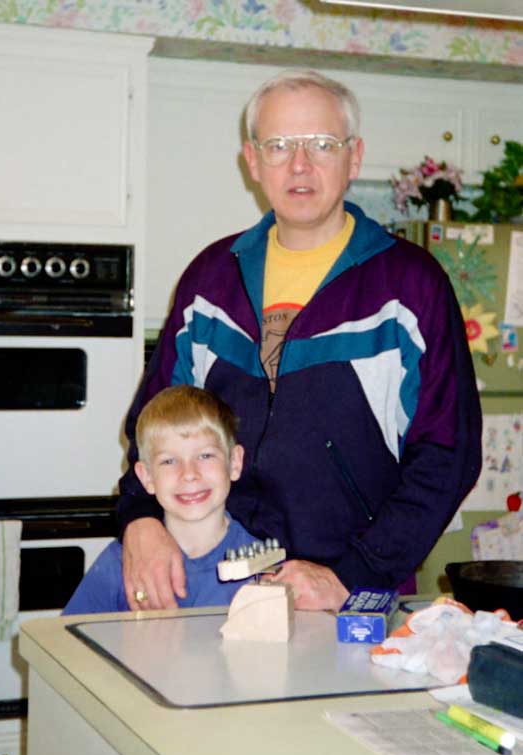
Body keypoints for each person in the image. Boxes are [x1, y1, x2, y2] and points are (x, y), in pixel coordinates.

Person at [118, 69, 482, 614]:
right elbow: (153, 424)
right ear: (252, 159)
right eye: (280, 145)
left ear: (354, 157)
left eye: (322, 144)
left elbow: (448, 454)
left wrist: (351, 575)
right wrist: (140, 518)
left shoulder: (410, 286)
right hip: (216, 578)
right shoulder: (210, 279)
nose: (300, 164)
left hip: (354, 589)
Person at [63, 385, 258, 614]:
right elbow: (65, 643)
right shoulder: (120, 563)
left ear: (234, 462)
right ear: (146, 477)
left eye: (205, 455)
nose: (188, 473)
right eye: (169, 461)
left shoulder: (264, 567)